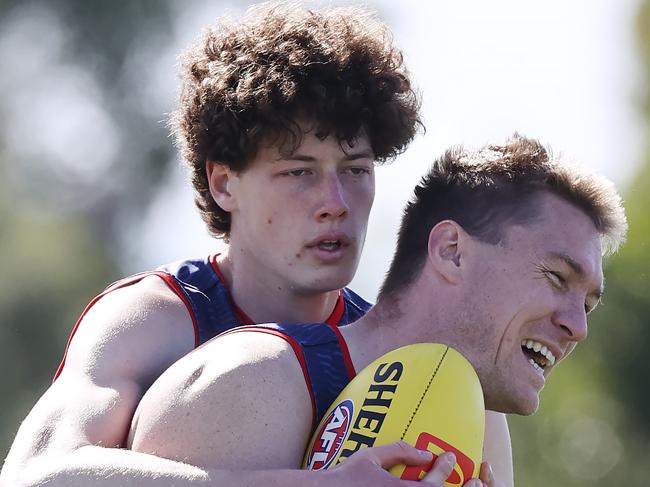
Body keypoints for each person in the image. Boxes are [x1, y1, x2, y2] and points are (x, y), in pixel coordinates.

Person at [0, 3, 507, 486]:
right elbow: (34, 475)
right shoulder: (155, 317)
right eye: (298, 172)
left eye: (355, 170)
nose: (335, 201)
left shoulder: (396, 354)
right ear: (224, 183)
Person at [126, 135, 627, 485]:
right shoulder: (255, 379)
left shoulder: (483, 428)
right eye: (556, 279)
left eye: (587, 303)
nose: (577, 325)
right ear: (451, 250)